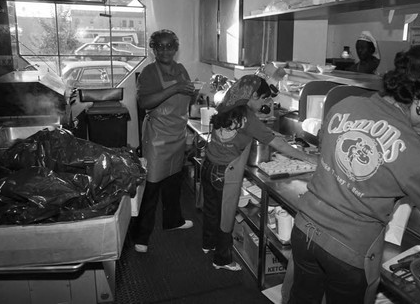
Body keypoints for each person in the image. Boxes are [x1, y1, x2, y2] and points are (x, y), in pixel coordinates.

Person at [288, 43, 420, 304]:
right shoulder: (415, 152)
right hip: (348, 252)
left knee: (302, 298)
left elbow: (329, 155)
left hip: (304, 229)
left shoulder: (345, 104)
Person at [201, 74, 317, 271]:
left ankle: (208, 244)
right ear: (253, 96)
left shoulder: (227, 106)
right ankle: (221, 260)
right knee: (226, 217)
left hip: (209, 166)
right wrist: (306, 157)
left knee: (212, 210)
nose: (266, 103)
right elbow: (277, 143)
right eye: (264, 99)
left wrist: (267, 129)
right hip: (225, 174)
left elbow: (255, 129)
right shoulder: (248, 118)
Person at [133, 29, 196, 253]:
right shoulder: (148, 72)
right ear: (153, 49)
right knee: (151, 185)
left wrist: (191, 91)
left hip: (177, 133)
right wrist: (176, 88)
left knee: (173, 181)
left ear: (176, 48)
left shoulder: (181, 69)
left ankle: (173, 220)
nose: (165, 50)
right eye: (160, 46)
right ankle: (141, 236)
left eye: (170, 46)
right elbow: (145, 103)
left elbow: (187, 96)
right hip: (158, 136)